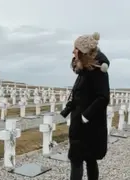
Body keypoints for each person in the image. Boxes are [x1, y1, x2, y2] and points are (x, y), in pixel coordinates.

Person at [60, 32, 110, 180]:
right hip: (81, 124)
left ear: (82, 51)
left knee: (82, 159)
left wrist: (85, 116)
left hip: (88, 125)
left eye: (75, 48)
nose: (73, 51)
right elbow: (80, 94)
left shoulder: (98, 71)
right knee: (86, 158)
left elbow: (103, 97)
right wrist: (68, 109)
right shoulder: (85, 70)